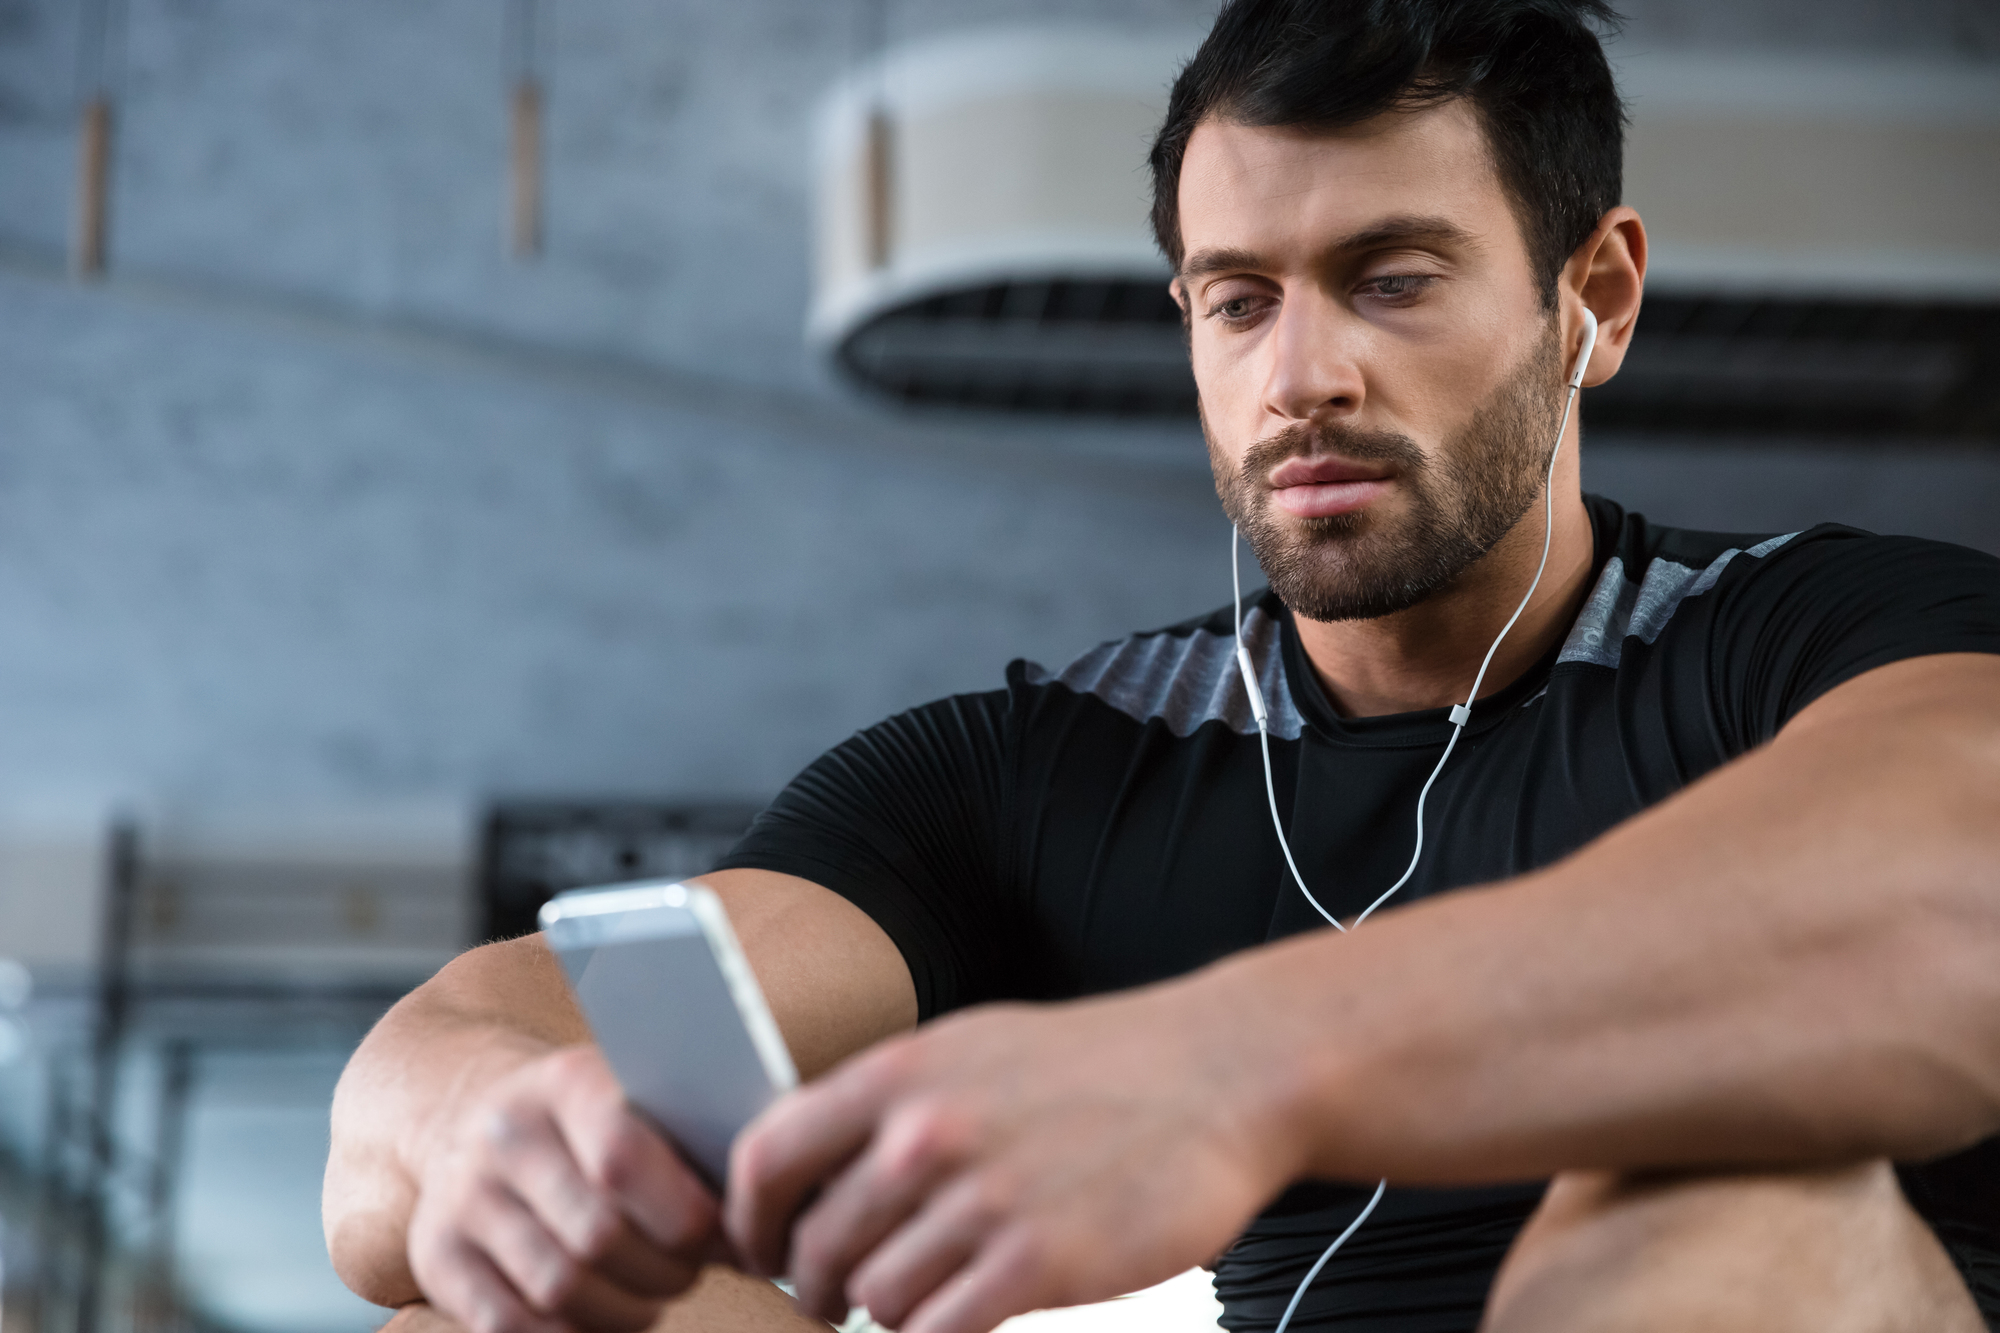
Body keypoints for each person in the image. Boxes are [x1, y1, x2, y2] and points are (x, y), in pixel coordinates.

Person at [322, 2, 2000, 1330]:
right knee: (501, 1313)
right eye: (1237, 302)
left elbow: (1958, 893)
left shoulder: (1818, 639)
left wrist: (1232, 1064)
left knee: (1714, 1198)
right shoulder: (1042, 768)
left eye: (1391, 280)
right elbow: (423, 1088)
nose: (1301, 375)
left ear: (1595, 300)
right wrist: (495, 1138)